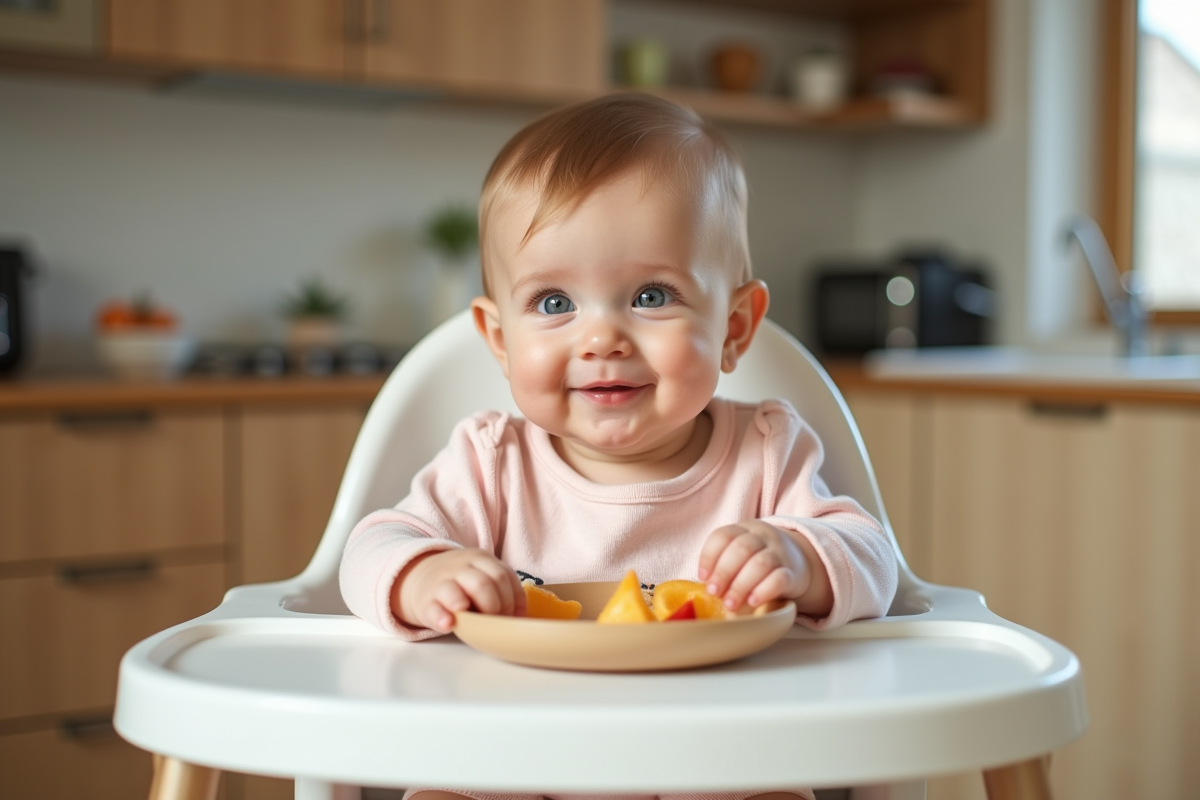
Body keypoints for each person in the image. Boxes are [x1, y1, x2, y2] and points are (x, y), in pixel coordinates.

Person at [340, 92, 898, 800]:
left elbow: (875, 560)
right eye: (553, 304)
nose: (601, 337)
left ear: (733, 328)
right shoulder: (492, 461)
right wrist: (421, 573)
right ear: (500, 341)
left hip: (718, 757)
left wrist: (800, 557)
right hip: (515, 755)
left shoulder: (766, 450)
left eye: (652, 295)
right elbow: (370, 547)